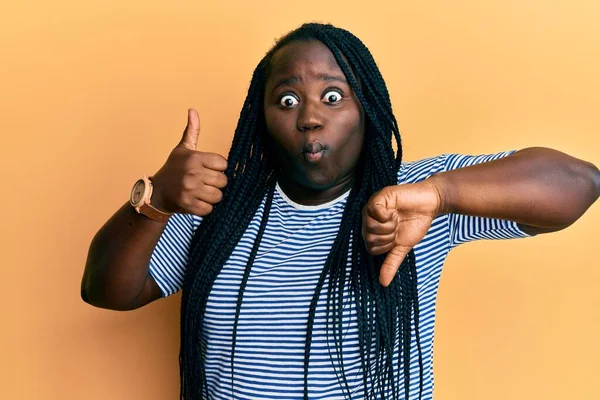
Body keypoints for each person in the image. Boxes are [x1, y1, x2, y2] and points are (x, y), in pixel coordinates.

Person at [81, 22, 599, 400]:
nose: (309, 117)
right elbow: (106, 290)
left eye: (333, 96)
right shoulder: (217, 207)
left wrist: (444, 196)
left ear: (368, 113)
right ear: (259, 121)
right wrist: (156, 200)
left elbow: (578, 183)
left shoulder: (416, 197)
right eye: (286, 101)